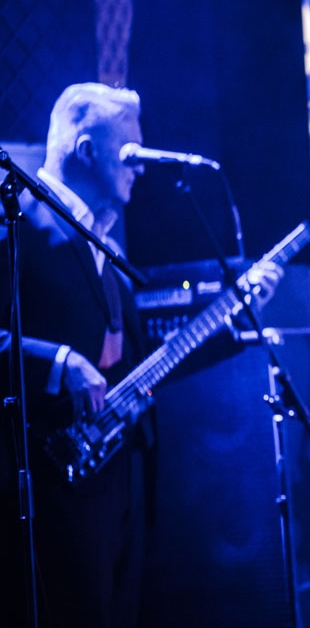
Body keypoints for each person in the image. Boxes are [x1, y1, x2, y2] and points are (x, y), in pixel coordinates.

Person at [0, 83, 150, 628]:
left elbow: (128, 358)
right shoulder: (18, 220)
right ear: (86, 150)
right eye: (128, 152)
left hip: (115, 482)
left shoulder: (103, 237)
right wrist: (58, 363)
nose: (139, 167)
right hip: (49, 492)